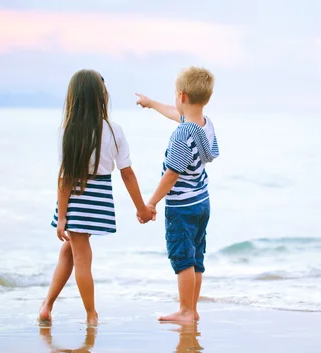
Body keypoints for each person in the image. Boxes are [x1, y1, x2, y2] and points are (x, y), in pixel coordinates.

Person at [40, 69, 154, 326]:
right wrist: (142, 209)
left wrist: (62, 216)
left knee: (77, 254)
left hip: (76, 199)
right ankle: (84, 313)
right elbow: (127, 174)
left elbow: (65, 179)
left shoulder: (67, 131)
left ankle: (53, 307)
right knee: (72, 253)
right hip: (98, 199)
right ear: (101, 97)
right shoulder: (114, 131)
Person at [136, 66, 219, 322]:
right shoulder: (204, 125)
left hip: (182, 207)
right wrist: (151, 104)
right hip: (202, 202)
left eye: (174, 95)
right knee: (196, 257)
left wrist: (150, 203)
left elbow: (171, 174)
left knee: (183, 258)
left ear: (181, 96)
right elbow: (178, 116)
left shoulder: (182, 135)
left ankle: (185, 311)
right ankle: (192, 309)